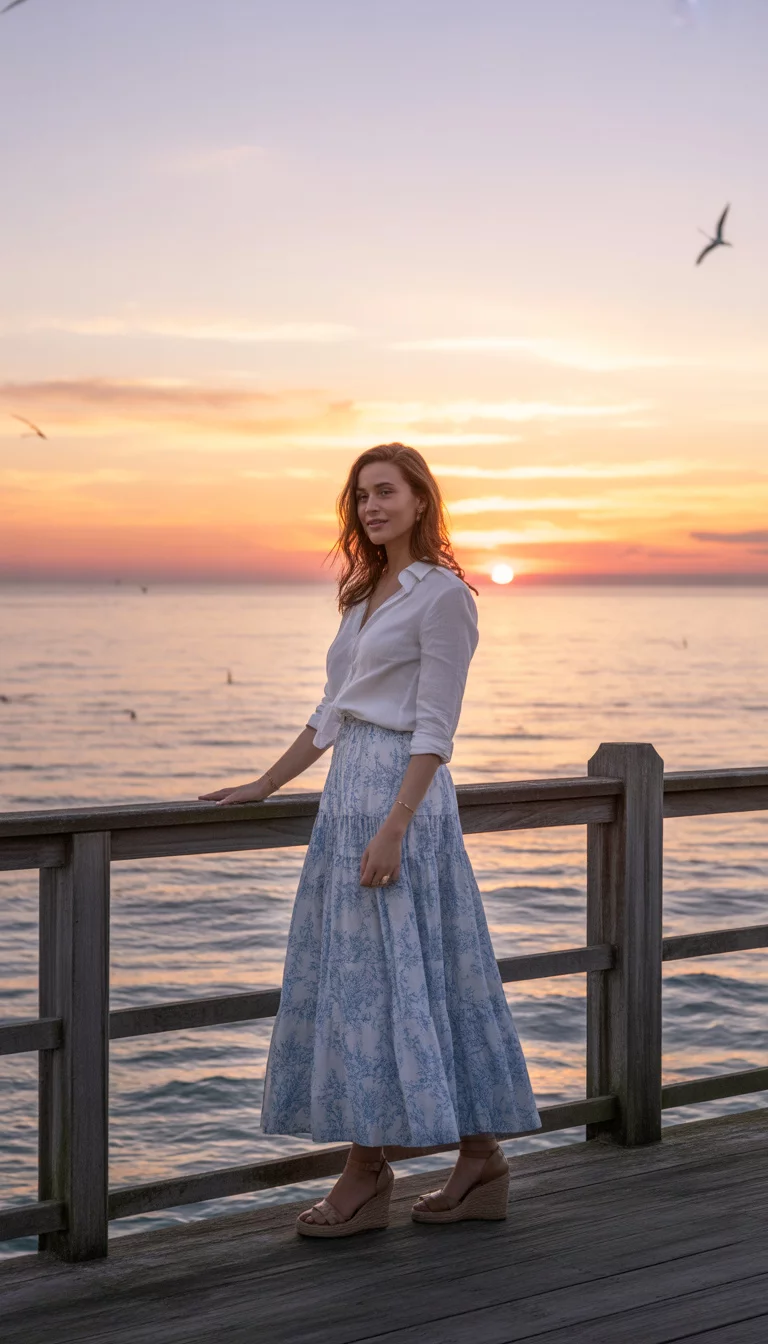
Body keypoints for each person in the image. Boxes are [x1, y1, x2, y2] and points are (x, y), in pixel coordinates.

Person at [199, 442, 540, 1239]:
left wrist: (394, 825)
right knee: (368, 986)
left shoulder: (444, 596)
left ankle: (365, 1171)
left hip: (400, 804)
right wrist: (265, 783)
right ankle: (479, 1159)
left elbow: (435, 726)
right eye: (360, 497)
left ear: (422, 500)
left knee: (406, 982)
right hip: (345, 796)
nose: (371, 507)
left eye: (386, 492)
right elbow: (332, 712)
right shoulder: (361, 597)